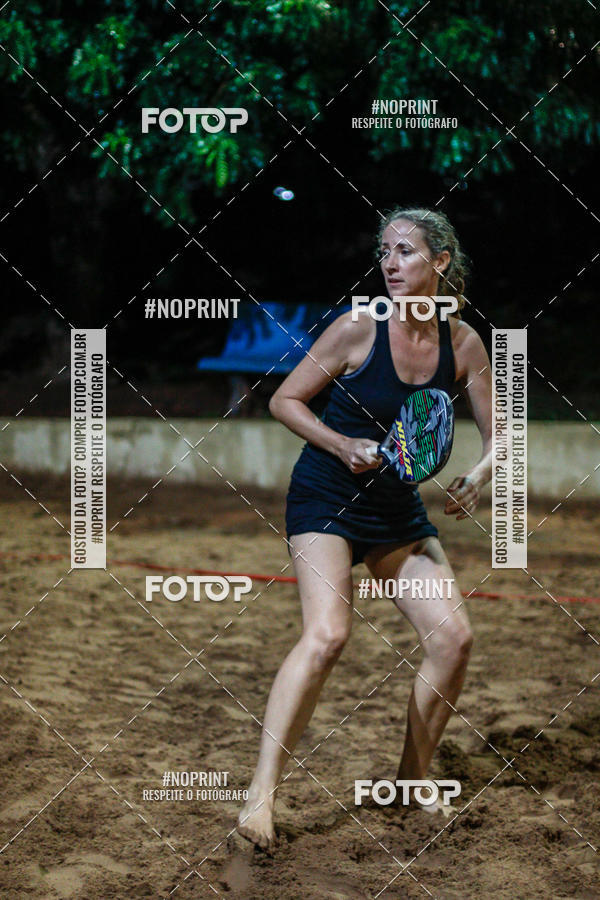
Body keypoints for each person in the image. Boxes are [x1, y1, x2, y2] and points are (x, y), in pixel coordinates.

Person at [237, 208, 493, 849]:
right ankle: (258, 800)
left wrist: (483, 475)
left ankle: (410, 784)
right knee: (327, 636)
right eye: (384, 251)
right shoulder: (357, 328)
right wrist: (340, 442)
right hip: (326, 499)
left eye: (405, 252)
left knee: (453, 639)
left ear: (439, 263)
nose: (389, 263)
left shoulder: (463, 344)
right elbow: (283, 400)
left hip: (395, 510)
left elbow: (503, 436)